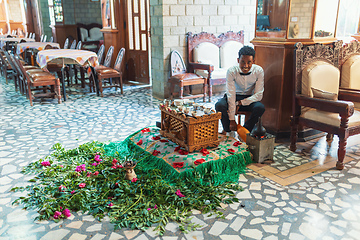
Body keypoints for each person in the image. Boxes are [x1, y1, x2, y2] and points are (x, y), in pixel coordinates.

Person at [215, 45, 265, 136]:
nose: (245, 66)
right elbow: (231, 95)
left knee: (260, 107)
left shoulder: (259, 71)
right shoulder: (231, 71)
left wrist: (240, 103)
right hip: (233, 96)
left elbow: (258, 95)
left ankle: (244, 131)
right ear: (238, 60)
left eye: (249, 62)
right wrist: (232, 120)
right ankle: (229, 131)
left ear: (253, 61)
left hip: (248, 99)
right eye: (242, 62)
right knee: (219, 105)